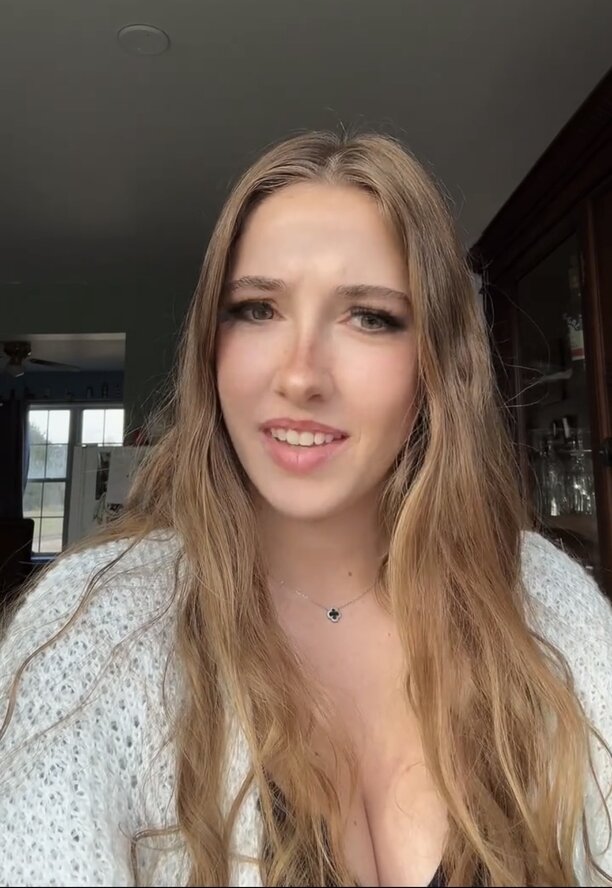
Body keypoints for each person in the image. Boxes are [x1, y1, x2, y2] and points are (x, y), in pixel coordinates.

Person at [1, 130, 611, 888]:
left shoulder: (548, 603)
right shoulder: (93, 635)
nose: (300, 376)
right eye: (257, 309)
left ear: (437, 362)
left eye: (370, 317)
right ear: (210, 347)